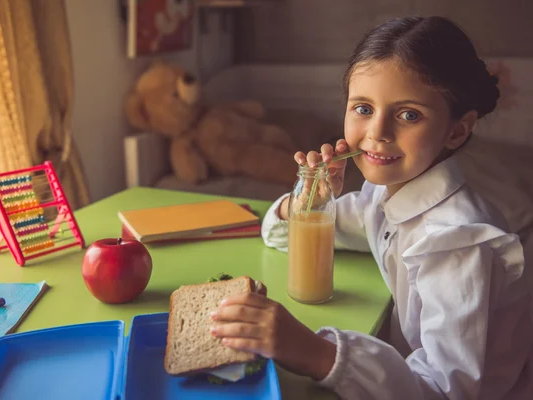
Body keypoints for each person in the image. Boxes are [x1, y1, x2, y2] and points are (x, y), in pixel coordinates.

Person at [208, 15, 533, 399]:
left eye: (409, 114)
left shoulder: (455, 243)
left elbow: (448, 392)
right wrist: (314, 197)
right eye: (363, 109)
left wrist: (314, 353)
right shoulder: (386, 197)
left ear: (457, 130)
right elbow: (283, 234)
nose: (378, 132)